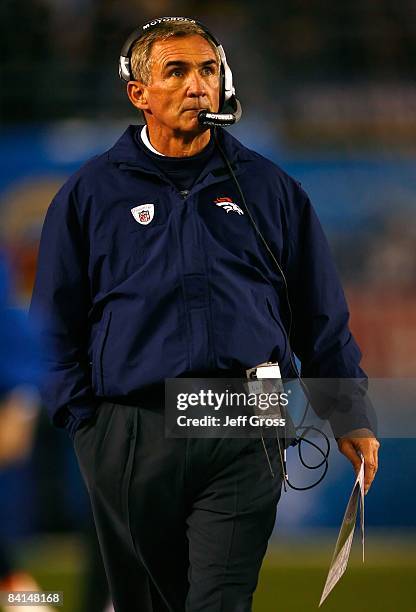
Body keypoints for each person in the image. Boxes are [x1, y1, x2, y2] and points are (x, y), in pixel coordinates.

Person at [30, 17, 380, 612]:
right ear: (139, 94)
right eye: (178, 71)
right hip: (133, 427)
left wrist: (350, 415)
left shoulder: (273, 189)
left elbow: (320, 315)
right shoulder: (90, 194)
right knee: (149, 601)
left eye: (209, 70)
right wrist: (90, 428)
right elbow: (54, 325)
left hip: (247, 419)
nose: (199, 84)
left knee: (220, 599)